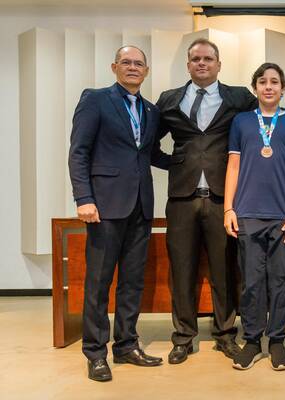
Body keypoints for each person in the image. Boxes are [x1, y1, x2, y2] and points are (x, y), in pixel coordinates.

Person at [152, 38, 257, 364]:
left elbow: (264, 125)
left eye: (208, 59)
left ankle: (225, 334)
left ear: (218, 64)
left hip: (223, 199)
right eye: (196, 59)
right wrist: (175, 163)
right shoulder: (169, 99)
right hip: (181, 199)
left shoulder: (239, 97)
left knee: (225, 269)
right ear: (188, 65)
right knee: (181, 270)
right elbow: (147, 142)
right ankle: (183, 338)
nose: (202, 63)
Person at [69, 46, 163, 382]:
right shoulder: (96, 100)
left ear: (146, 71)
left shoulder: (150, 110)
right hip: (105, 206)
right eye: (126, 62)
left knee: (132, 282)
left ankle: (126, 346)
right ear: (114, 67)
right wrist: (84, 198)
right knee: (98, 282)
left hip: (141, 205)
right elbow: (79, 152)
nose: (133, 67)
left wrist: (193, 162)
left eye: (139, 63)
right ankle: (95, 353)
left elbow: (150, 153)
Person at [224, 62, 285, 371]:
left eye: (274, 81)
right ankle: (251, 340)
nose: (269, 86)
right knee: (251, 281)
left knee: (281, 280)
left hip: (284, 215)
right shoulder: (242, 121)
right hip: (247, 212)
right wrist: (228, 208)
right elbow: (233, 166)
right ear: (255, 88)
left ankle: (276, 341)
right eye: (263, 81)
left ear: (283, 88)